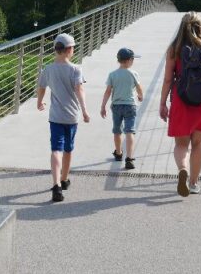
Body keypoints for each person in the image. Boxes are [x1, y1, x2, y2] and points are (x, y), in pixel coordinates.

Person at [158, 12, 201, 197]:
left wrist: (162, 103)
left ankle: (182, 170)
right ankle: (193, 183)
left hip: (181, 100)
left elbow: (168, 80)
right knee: (198, 142)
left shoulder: (174, 50)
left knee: (181, 144)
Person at [37, 32, 90, 202]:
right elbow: (80, 90)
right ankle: (64, 179)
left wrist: (40, 102)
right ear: (69, 50)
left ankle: (56, 185)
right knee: (68, 149)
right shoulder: (75, 69)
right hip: (71, 117)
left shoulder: (48, 69)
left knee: (56, 149)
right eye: (73, 47)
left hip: (55, 117)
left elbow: (41, 87)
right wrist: (84, 110)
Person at [100, 47, 144, 169]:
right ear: (129, 60)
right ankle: (129, 158)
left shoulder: (112, 74)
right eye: (133, 59)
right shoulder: (133, 73)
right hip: (130, 106)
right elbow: (139, 88)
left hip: (116, 106)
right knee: (130, 131)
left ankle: (119, 153)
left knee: (117, 131)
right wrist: (140, 96)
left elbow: (108, 92)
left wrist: (103, 106)